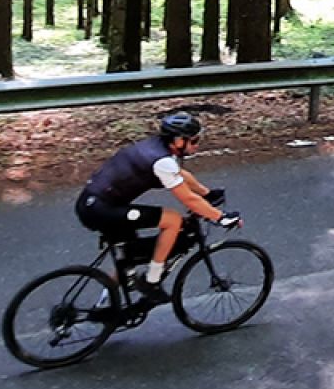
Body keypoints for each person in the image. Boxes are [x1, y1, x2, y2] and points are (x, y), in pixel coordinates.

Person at [75, 113, 238, 306]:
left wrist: (207, 193)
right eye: (194, 140)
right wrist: (221, 217)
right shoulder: (162, 162)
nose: (197, 145)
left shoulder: (156, 148)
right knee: (172, 220)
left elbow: (180, 174)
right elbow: (188, 198)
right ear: (178, 141)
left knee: (129, 259)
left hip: (93, 203)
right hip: (102, 210)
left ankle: (105, 306)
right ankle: (151, 281)